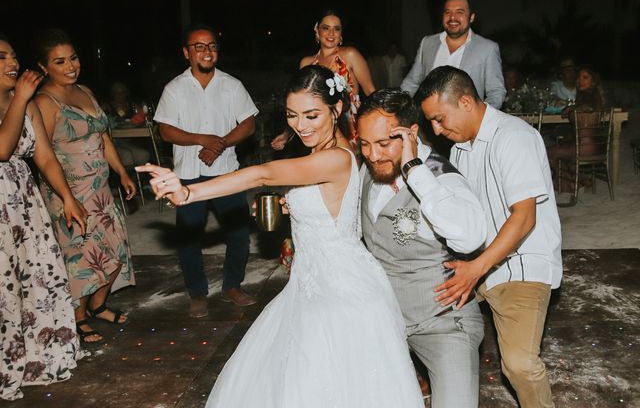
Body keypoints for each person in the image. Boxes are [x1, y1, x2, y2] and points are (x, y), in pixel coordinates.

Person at [138, 65, 424, 408]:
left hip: (339, 290)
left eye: (311, 115)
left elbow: (263, 174)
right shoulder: (320, 153)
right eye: (292, 115)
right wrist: (299, 206)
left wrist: (187, 193)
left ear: (336, 110)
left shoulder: (336, 157)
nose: (300, 125)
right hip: (311, 282)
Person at [417, 66, 562, 408]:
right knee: (415, 303)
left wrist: (476, 268)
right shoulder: (460, 148)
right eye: (431, 123)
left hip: (521, 265)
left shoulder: (513, 137)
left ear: (465, 101)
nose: (436, 130)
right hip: (480, 261)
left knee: (519, 365)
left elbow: (524, 218)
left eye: (439, 119)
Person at [357, 89, 487, 408]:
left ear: (411, 133)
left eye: (384, 143)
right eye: (364, 144)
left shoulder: (444, 178)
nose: (372, 155)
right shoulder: (369, 168)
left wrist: (415, 169)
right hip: (383, 319)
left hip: (442, 322)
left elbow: (471, 237)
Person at [34, 28, 136, 344]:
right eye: (59, 61)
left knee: (116, 250)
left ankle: (98, 306)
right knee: (80, 258)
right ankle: (78, 318)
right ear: (43, 68)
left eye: (73, 58)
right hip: (69, 194)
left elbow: (103, 136)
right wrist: (66, 197)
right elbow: (44, 154)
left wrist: (122, 172)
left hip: (101, 192)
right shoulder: (44, 102)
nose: (70, 66)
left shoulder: (86, 92)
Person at [0, 36, 87, 400]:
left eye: (14, 55)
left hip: (24, 203)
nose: (12, 61)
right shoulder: (21, 100)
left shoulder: (29, 105)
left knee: (35, 278)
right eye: (1, 57)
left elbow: (46, 157)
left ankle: (36, 356)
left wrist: (68, 198)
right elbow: (2, 150)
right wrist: (20, 98)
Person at [153, 23, 258, 315]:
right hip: (188, 173)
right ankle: (197, 293)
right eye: (199, 46)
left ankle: (232, 286)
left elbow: (249, 124)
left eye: (211, 46)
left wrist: (220, 144)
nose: (206, 51)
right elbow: (166, 131)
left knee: (238, 233)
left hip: (226, 171)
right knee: (189, 236)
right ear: (186, 52)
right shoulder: (174, 88)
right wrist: (202, 139)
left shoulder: (232, 85)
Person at [271, 9, 376, 152]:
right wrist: (286, 135)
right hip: (319, 128)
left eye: (336, 29)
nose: (331, 34)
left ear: (341, 33)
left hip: (351, 127)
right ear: (316, 30)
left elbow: (371, 92)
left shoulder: (350, 55)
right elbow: (299, 106)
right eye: (326, 28)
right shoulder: (307, 63)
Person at [401, 0, 506, 109]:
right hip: (429, 122)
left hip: (467, 124)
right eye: (448, 12)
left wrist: (482, 118)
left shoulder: (487, 48)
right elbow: (411, 83)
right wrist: (398, 108)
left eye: (459, 12)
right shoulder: (427, 43)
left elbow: (496, 91)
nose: (452, 17)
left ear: (471, 17)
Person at [547, 66, 607, 191]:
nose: (580, 80)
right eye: (579, 77)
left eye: (585, 78)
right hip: (597, 146)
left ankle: (580, 181)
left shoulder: (590, 98)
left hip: (585, 148)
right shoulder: (588, 97)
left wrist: (572, 110)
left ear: (593, 82)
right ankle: (577, 181)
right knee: (559, 149)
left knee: (549, 152)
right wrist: (572, 109)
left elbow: (587, 108)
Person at [102, 81, 151, 167]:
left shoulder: (132, 106)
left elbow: (142, 119)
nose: (120, 95)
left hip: (132, 140)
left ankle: (137, 178)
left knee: (144, 155)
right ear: (112, 94)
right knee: (127, 156)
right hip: (113, 141)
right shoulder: (106, 107)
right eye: (117, 93)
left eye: (122, 92)